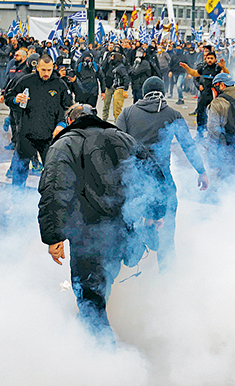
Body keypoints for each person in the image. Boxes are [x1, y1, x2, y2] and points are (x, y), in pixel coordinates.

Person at [38, 105, 166, 336]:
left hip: (85, 235)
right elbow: (154, 174)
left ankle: (103, 353)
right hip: (120, 230)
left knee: (89, 294)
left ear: (70, 120)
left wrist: (53, 236)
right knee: (101, 283)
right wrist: (154, 213)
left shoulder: (64, 144)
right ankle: (91, 319)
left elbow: (55, 190)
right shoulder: (124, 139)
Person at [116, 76, 208, 269]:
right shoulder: (173, 114)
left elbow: (116, 147)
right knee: (166, 230)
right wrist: (201, 171)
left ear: (143, 92)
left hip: (134, 182)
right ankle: (166, 276)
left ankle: (131, 262)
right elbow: (188, 146)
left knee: (132, 224)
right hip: (163, 183)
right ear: (163, 93)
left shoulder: (127, 113)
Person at [5, 55, 73, 187]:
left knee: (52, 172)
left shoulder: (60, 85)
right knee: (20, 170)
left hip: (49, 136)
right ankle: (16, 200)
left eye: (49, 70)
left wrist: (62, 124)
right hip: (26, 134)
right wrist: (15, 99)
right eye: (43, 70)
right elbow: (8, 96)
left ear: (53, 68)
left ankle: (49, 201)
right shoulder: (26, 81)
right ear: (37, 68)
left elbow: (68, 108)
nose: (46, 73)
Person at [180, 50, 225, 135]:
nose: (209, 60)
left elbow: (225, 75)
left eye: (211, 58)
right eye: (208, 58)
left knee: (214, 115)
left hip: (214, 96)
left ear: (215, 59)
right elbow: (194, 73)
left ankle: (214, 133)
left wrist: (223, 67)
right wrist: (187, 68)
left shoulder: (217, 68)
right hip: (204, 95)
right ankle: (200, 132)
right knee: (200, 113)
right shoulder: (203, 68)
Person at [101, 51, 129, 121]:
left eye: (113, 57)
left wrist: (125, 89)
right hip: (111, 85)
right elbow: (103, 68)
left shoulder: (121, 67)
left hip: (119, 88)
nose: (111, 58)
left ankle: (119, 122)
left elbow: (126, 77)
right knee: (107, 105)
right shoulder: (113, 65)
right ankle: (106, 119)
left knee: (117, 108)